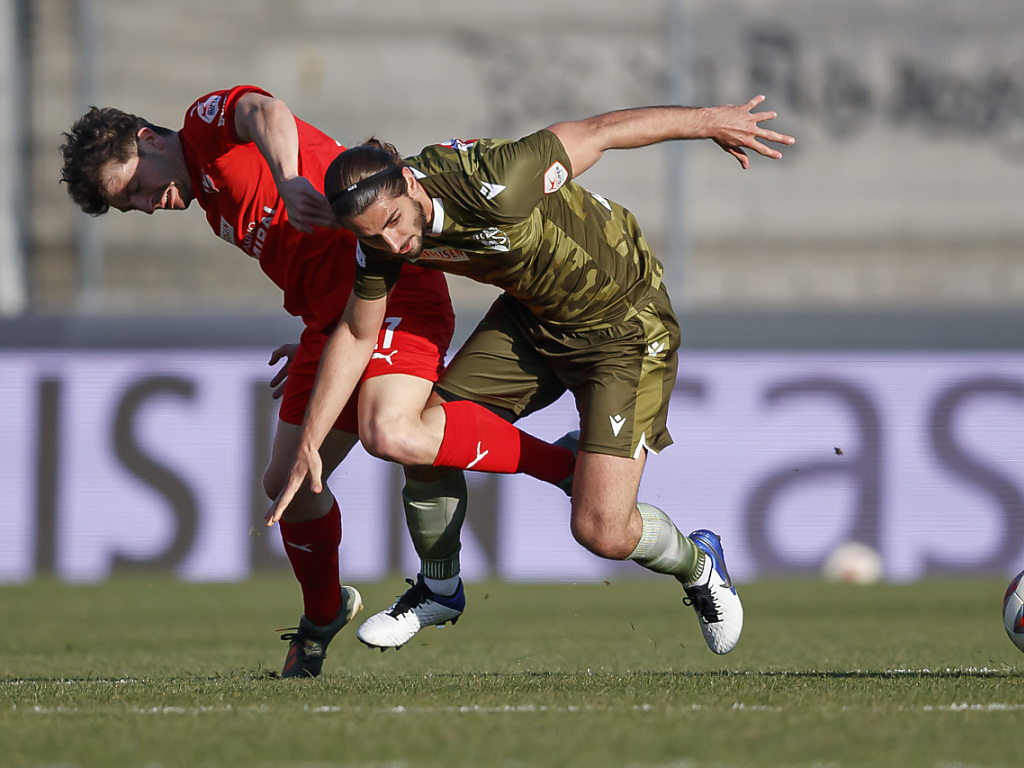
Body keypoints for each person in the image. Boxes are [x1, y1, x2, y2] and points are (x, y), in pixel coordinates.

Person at [59, 85, 576, 677]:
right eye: (135, 207)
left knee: (392, 429)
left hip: (391, 294)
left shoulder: (202, 129)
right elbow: (307, 262)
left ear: (146, 140)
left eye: (139, 187)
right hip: (331, 326)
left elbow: (266, 111)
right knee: (287, 485)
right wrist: (312, 325)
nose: (151, 204)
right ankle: (325, 614)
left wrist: (286, 177)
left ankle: (565, 468)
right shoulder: (207, 198)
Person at [269, 95, 795, 655]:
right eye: (373, 237)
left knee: (602, 530)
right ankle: (440, 587)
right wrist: (310, 443)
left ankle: (699, 561)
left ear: (410, 182)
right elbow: (355, 335)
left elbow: (599, 131)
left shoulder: (497, 180)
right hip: (533, 318)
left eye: (394, 224)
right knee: (420, 434)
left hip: (623, 326)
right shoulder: (379, 241)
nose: (393, 245)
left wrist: (710, 122)